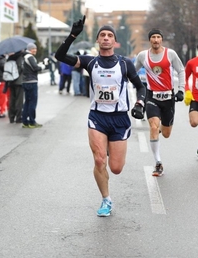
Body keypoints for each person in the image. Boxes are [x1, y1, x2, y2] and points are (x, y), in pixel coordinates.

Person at [55, 16, 146, 217]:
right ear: (98, 40)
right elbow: (60, 56)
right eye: (102, 35)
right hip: (97, 118)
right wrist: (72, 35)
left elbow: (140, 87)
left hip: (120, 119)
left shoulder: (125, 64)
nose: (106, 38)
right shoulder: (90, 62)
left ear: (114, 41)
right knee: (98, 161)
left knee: (116, 168)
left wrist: (140, 103)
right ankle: (106, 199)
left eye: (109, 35)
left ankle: (108, 151)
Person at [134, 28, 185, 176]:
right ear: (150, 40)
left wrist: (181, 90)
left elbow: (181, 70)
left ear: (161, 39)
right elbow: (132, 72)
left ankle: (161, 128)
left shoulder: (170, 54)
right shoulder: (143, 56)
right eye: (153, 37)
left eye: (158, 37)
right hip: (152, 97)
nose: (156, 40)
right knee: (153, 127)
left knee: (166, 133)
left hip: (168, 97)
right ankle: (158, 163)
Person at [22, 43, 44, 128]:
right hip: (31, 81)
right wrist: (42, 66)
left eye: (35, 48)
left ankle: (25, 121)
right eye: (33, 49)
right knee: (32, 102)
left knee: (27, 102)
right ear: (29, 49)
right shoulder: (29, 57)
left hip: (25, 81)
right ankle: (32, 121)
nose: (35, 50)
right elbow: (35, 68)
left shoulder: (24, 56)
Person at [6, 51, 25, 124]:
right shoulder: (20, 57)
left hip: (11, 81)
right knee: (19, 101)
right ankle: (18, 117)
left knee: (12, 99)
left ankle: (11, 117)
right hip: (19, 81)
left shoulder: (10, 58)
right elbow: (20, 68)